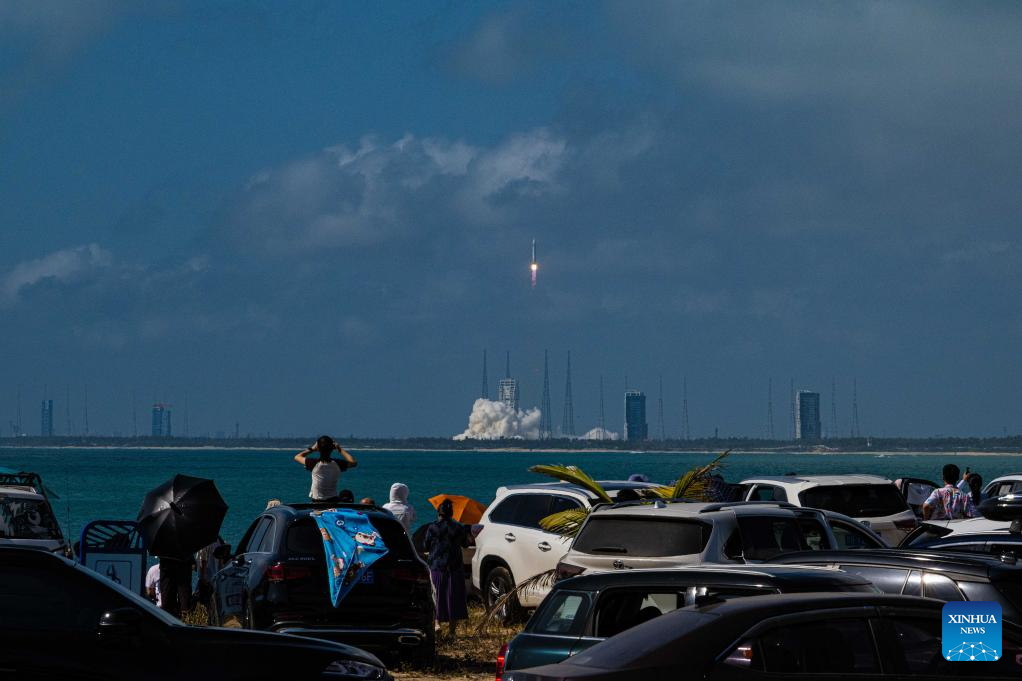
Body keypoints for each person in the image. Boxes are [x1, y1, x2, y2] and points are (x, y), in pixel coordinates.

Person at [423, 498, 468, 639]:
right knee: (453, 596)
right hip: (454, 566)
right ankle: (452, 632)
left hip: (436, 565)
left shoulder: (432, 527)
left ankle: (437, 624)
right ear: (452, 513)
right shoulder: (458, 527)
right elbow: (465, 544)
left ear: (439, 512)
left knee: (437, 595)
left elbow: (425, 545)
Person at [294, 435, 358, 502]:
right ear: (332, 448)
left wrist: (312, 448)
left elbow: (297, 457)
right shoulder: (338, 464)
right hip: (333, 500)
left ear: (318, 448)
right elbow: (353, 462)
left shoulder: (313, 463)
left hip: (317, 502)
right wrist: (340, 449)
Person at [195, 536, 225, 613]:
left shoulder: (205, 540)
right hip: (215, 577)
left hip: (207, 579)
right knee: (213, 604)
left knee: (204, 605)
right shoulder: (218, 540)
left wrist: (203, 576)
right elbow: (221, 561)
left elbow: (203, 560)